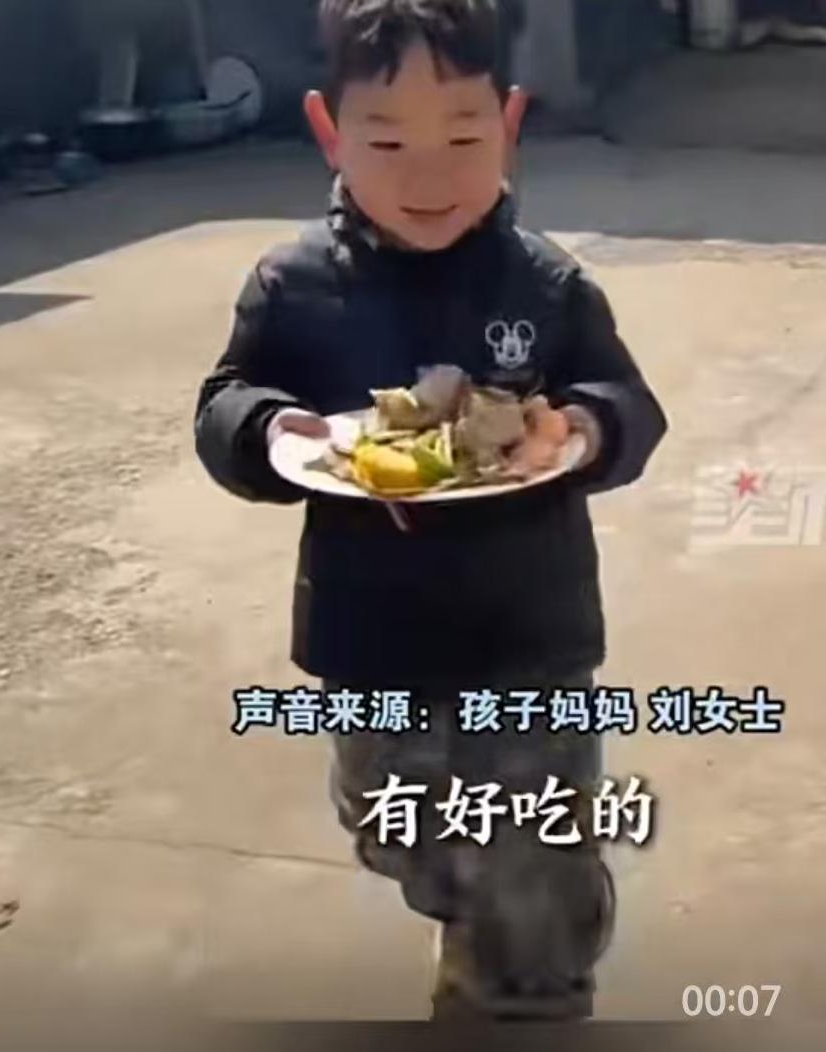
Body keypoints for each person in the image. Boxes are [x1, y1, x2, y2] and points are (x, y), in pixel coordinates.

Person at [194, 0, 667, 1022]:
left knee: (534, 860)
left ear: (508, 122)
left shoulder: (544, 283)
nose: (427, 174)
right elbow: (226, 399)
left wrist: (582, 427)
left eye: (461, 137)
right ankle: (470, 913)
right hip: (372, 633)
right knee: (392, 822)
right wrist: (267, 430)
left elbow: (630, 402)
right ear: (329, 131)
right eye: (386, 141)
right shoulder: (292, 286)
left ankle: (533, 970)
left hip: (529, 630)